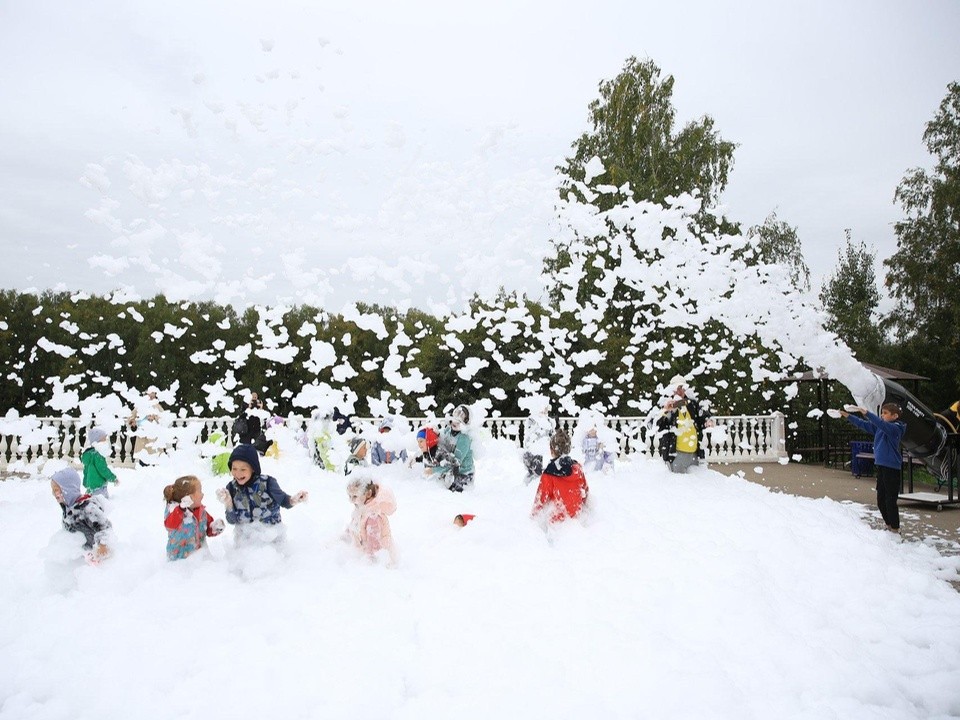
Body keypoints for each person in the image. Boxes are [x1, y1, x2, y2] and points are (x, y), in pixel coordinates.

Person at [216, 444, 308, 544]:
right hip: (245, 543)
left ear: (253, 468)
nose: (238, 474)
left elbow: (284, 501)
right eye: (234, 469)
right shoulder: (232, 488)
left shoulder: (267, 483)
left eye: (243, 469)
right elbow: (232, 520)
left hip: (270, 541)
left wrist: (293, 500)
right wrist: (228, 503)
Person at [839, 403, 907, 534]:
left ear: (895, 416)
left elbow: (883, 425)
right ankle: (888, 526)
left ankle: (895, 529)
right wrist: (847, 415)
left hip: (892, 469)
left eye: (885, 413)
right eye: (882, 413)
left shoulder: (896, 428)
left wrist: (867, 413)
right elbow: (863, 424)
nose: (882, 415)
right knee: (881, 500)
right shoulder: (881, 427)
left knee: (890, 500)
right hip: (882, 467)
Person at [50, 467, 112, 564]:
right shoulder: (68, 508)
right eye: (52, 490)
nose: (53, 493)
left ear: (68, 489)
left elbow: (104, 526)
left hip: (94, 556)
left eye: (56, 489)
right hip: (80, 555)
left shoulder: (87, 508)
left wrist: (103, 545)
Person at [656, 375, 713, 473]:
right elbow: (656, 425)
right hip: (676, 455)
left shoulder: (690, 403)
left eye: (682, 388)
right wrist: (665, 410)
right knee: (679, 486)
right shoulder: (665, 405)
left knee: (695, 486)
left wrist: (707, 420)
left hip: (695, 454)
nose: (680, 391)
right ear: (671, 390)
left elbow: (702, 415)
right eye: (677, 388)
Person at [532, 430, 589, 523]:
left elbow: (540, 500)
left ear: (551, 450)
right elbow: (585, 491)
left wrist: (533, 517)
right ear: (568, 449)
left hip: (557, 524)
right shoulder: (578, 468)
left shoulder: (549, 473)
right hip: (576, 519)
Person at [163, 475, 225, 560]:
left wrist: (215, 527)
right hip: (179, 561)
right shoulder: (175, 511)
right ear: (189, 497)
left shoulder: (201, 511)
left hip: (199, 558)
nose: (202, 494)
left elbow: (208, 528)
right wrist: (181, 509)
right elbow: (170, 525)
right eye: (199, 491)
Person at [344, 476, 398, 566]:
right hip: (364, 552)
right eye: (349, 496)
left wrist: (367, 565)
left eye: (355, 496)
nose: (351, 501)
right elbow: (351, 529)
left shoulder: (373, 517)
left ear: (368, 494)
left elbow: (375, 548)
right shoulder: (361, 509)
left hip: (380, 561)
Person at [427, 405, 475, 492]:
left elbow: (455, 463)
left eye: (460, 421)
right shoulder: (449, 430)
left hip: (464, 473)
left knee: (448, 489)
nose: (455, 422)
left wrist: (433, 470)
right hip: (451, 467)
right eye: (455, 418)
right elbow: (442, 441)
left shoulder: (464, 439)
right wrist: (436, 434)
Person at [81, 428, 118, 497]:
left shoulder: (88, 454)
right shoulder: (98, 455)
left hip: (90, 487)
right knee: (103, 505)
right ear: (97, 442)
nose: (105, 442)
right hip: (99, 486)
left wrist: (86, 483)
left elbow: (86, 470)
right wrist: (113, 478)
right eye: (103, 440)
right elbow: (103, 469)